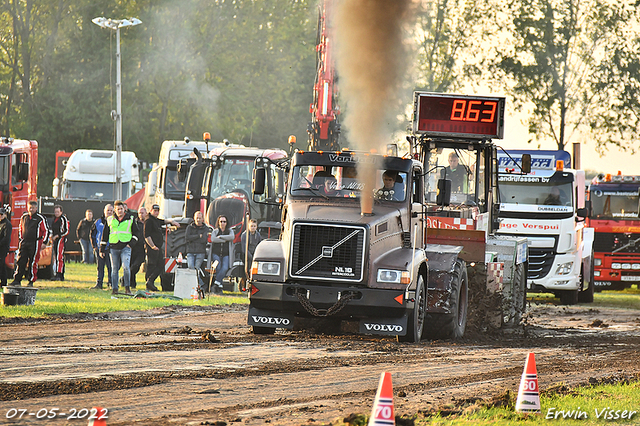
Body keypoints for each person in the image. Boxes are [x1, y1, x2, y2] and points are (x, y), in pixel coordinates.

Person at [101, 200, 139, 295]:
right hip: (113, 247)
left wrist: (131, 243)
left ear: (124, 209)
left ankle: (127, 288)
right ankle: (115, 289)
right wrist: (102, 248)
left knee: (126, 267)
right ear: (115, 210)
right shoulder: (110, 219)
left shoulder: (130, 218)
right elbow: (105, 234)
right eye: (118, 209)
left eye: (121, 209)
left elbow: (137, 233)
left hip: (126, 247)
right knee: (114, 269)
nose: (120, 211)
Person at [11, 200, 49, 287]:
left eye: (33, 208)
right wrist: (21, 238)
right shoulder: (24, 217)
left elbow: (46, 230)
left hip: (35, 242)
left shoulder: (40, 218)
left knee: (33, 262)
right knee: (20, 260)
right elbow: (20, 228)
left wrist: (44, 242)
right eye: (30, 208)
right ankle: (17, 280)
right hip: (24, 242)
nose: (31, 210)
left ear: (36, 208)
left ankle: (31, 280)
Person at [144, 204, 179, 291]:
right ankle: (149, 283)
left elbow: (162, 222)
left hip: (157, 247)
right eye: (155, 211)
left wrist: (171, 222)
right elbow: (147, 235)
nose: (156, 213)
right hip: (152, 247)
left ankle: (150, 282)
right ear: (151, 211)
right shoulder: (148, 221)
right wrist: (152, 246)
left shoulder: (155, 220)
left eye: (158, 211)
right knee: (152, 265)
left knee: (160, 265)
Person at [185, 210, 211, 292]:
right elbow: (187, 238)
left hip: (200, 252)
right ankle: (201, 284)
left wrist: (193, 238)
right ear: (194, 218)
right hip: (190, 252)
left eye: (200, 218)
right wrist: (198, 236)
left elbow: (203, 240)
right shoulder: (189, 227)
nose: (198, 220)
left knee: (196, 269)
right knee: (191, 268)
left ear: (203, 219)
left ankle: (196, 285)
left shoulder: (205, 228)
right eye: (197, 218)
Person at [209, 214, 235, 294]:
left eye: (224, 221)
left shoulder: (230, 231)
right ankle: (219, 287)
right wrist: (224, 239)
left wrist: (220, 237)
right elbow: (213, 239)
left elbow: (232, 237)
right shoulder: (215, 231)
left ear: (227, 223)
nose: (223, 223)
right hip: (216, 253)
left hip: (226, 254)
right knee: (218, 267)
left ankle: (216, 284)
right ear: (218, 222)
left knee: (224, 268)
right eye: (221, 221)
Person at [91, 204, 113, 290]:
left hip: (111, 248)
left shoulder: (115, 222)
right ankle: (99, 283)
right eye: (108, 210)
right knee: (100, 267)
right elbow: (92, 234)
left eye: (111, 211)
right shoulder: (98, 222)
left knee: (111, 267)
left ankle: (111, 283)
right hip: (100, 248)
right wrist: (94, 246)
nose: (109, 212)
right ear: (104, 211)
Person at [239, 218, 262, 291]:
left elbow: (259, 246)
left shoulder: (258, 235)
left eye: (254, 226)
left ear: (256, 227)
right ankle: (244, 285)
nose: (253, 228)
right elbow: (244, 248)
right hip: (246, 255)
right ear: (248, 226)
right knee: (248, 267)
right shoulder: (244, 235)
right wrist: (251, 257)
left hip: (255, 254)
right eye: (251, 226)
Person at [129, 206, 147, 290]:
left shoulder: (148, 223)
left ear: (146, 213)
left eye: (142, 213)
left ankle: (128, 281)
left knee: (135, 266)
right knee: (131, 266)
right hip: (134, 247)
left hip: (142, 248)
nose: (141, 214)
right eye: (139, 213)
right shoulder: (134, 222)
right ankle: (131, 283)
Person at [50, 204, 69, 281]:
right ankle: (57, 273)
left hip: (61, 240)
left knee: (59, 257)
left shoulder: (63, 219)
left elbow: (66, 231)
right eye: (55, 212)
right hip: (55, 240)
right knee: (56, 256)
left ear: (61, 212)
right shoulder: (54, 219)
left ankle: (59, 274)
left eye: (58, 212)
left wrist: (58, 236)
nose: (56, 213)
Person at [0, 208, 12, 287]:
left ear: (5, 214)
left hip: (3, 247)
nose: (0, 216)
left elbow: (6, 237)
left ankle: (4, 282)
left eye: (1, 214)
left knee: (1, 264)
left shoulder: (7, 224)